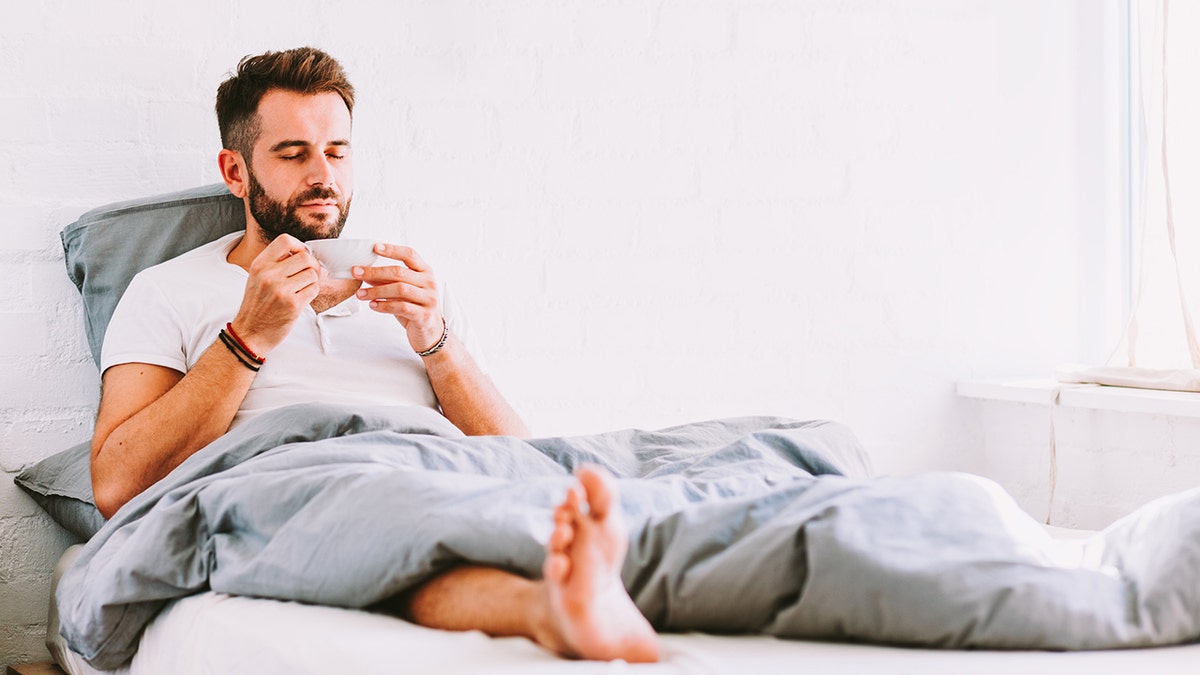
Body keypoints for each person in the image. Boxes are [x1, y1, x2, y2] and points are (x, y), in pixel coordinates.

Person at [89, 46, 660, 663]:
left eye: (337, 152)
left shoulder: (406, 286)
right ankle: (547, 605)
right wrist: (246, 338)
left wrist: (435, 340)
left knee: (651, 478)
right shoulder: (169, 290)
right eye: (293, 154)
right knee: (373, 513)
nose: (323, 176)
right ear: (235, 172)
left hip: (435, 475)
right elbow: (118, 483)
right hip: (294, 484)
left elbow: (520, 457)